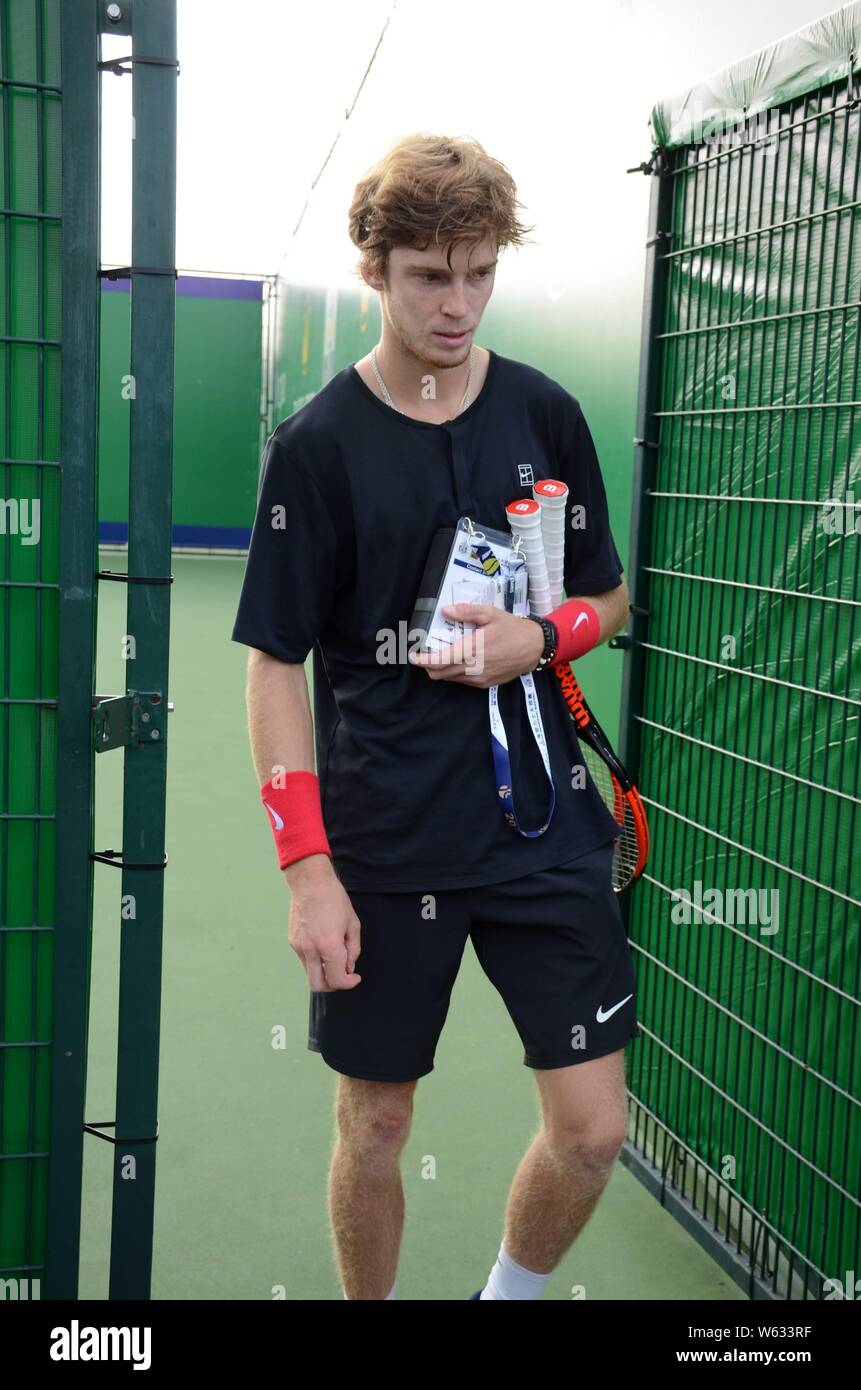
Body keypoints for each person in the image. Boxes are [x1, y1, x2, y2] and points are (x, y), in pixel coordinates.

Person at [231, 132, 640, 1301]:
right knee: (374, 1125)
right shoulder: (317, 448)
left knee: (593, 1128)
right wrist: (308, 868)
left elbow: (607, 597)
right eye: (428, 275)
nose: (457, 304)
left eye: (478, 272)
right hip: (385, 841)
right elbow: (272, 667)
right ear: (375, 270)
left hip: (543, 828)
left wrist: (540, 637)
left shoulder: (547, 413)